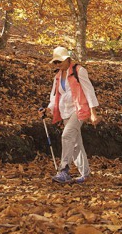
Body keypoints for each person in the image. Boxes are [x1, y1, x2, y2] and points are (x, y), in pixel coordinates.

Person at [41, 46, 100, 184]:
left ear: (68, 59)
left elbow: (89, 91)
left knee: (67, 136)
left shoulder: (79, 71)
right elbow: (55, 96)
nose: (57, 64)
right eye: (55, 62)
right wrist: (48, 109)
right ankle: (85, 174)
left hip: (79, 110)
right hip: (65, 111)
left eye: (59, 61)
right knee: (75, 144)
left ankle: (63, 170)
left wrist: (93, 112)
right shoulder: (57, 76)